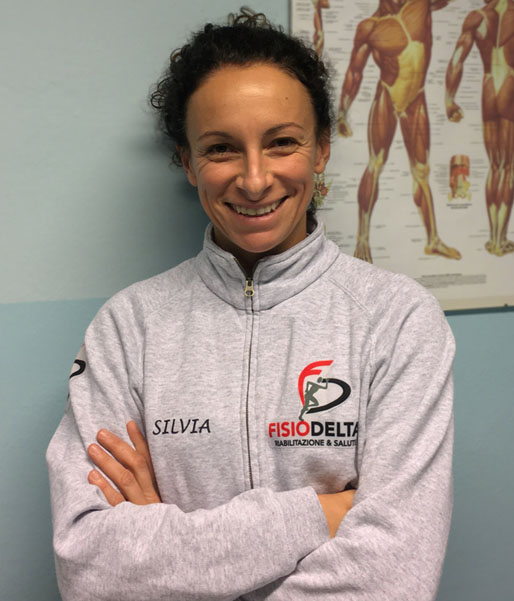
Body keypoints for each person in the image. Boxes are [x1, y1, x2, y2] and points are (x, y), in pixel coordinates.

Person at [47, 9, 455, 601]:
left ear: (321, 149)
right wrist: (320, 513)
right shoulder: (128, 328)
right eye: (221, 148)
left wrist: (162, 545)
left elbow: (394, 573)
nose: (256, 179)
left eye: (282, 142)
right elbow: (89, 570)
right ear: (188, 162)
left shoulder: (398, 321)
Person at [337, 0, 461, 263]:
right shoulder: (370, 28)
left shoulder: (422, 5)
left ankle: (433, 240)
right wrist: (343, 112)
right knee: (375, 164)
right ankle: (362, 240)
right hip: (388, 96)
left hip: (417, 99)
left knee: (422, 172)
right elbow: (354, 72)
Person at [445, 0, 514, 256]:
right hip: (509, 86)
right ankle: (500, 240)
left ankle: (493, 239)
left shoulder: (477, 17)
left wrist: (449, 100)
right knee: (508, 168)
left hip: (488, 89)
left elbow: (456, 60)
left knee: (494, 166)